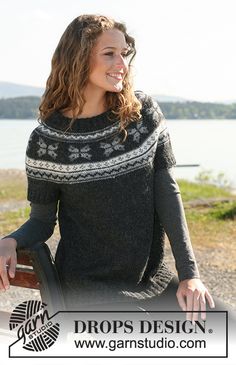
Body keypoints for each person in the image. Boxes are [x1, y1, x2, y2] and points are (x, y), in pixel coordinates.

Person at [0, 14, 215, 321]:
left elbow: (167, 192)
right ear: (78, 58)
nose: (122, 64)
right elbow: (42, 221)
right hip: (88, 292)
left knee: (227, 329)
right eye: (109, 54)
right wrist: (10, 240)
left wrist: (189, 274)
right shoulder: (47, 142)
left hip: (150, 279)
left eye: (124, 54)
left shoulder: (143, 115)